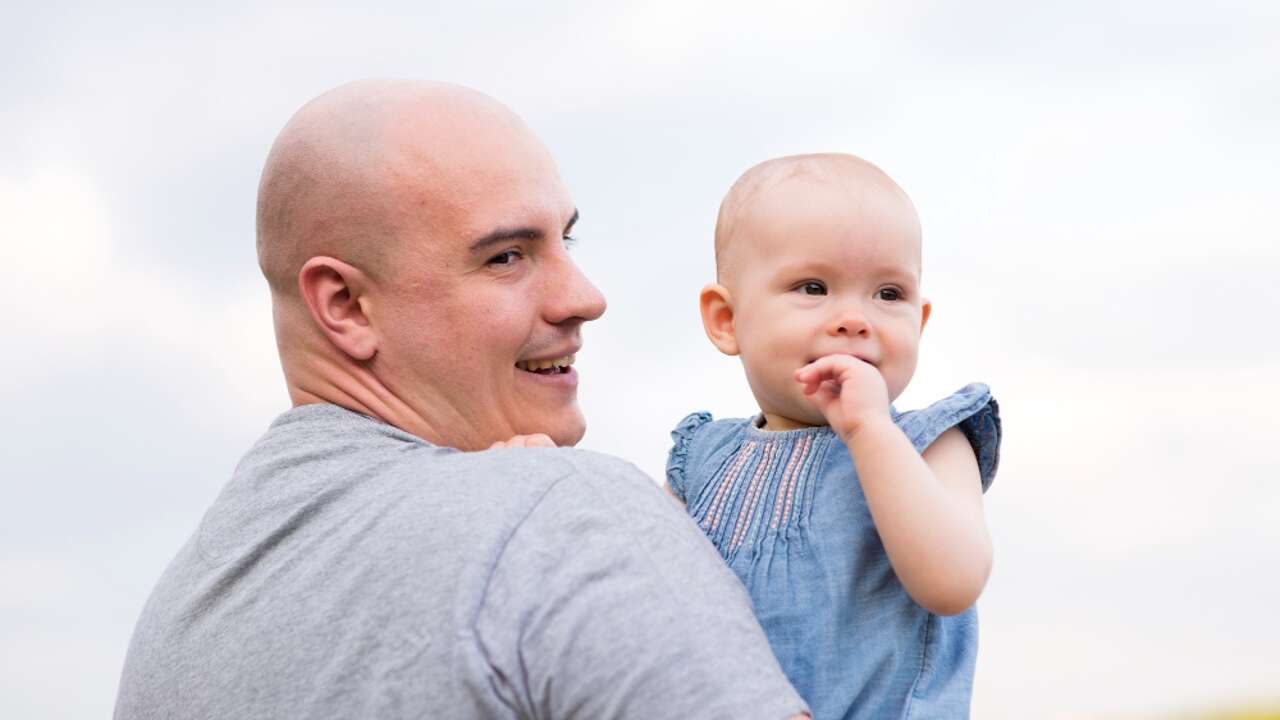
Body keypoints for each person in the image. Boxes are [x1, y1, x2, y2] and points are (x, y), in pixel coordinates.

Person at [113, 80, 809, 720]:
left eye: (565, 239)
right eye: (506, 256)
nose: (585, 298)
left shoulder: (179, 623)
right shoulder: (560, 516)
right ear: (347, 305)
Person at [664, 154, 1003, 719]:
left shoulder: (930, 442)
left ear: (918, 323)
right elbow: (644, 597)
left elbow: (953, 583)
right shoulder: (700, 460)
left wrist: (870, 431)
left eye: (888, 294)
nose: (854, 318)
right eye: (813, 287)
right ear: (727, 320)